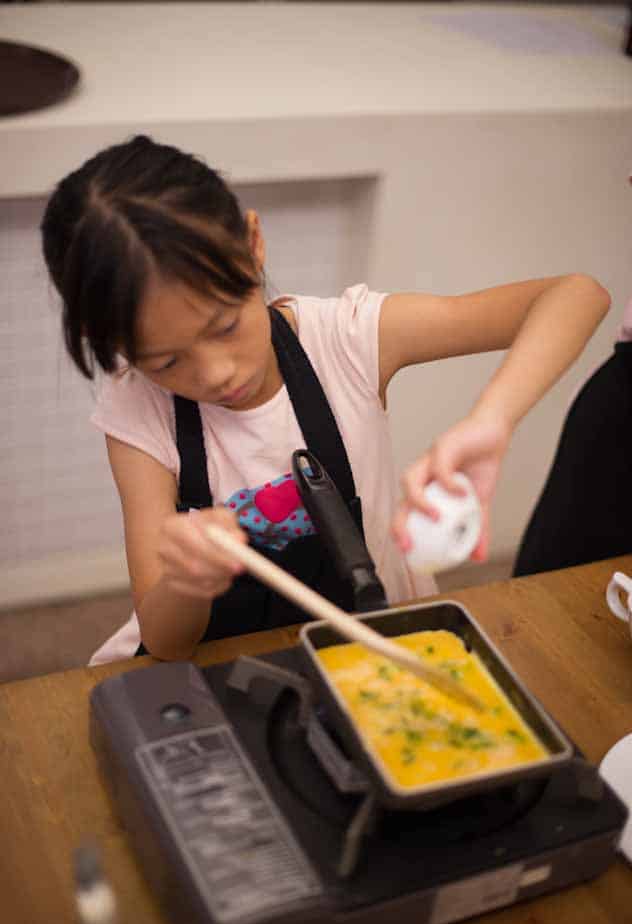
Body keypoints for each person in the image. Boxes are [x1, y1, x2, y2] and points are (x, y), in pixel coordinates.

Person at [40, 135, 611, 664]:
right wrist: (186, 581)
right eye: (166, 362)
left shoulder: (344, 339)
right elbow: (166, 641)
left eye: (225, 326)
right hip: (229, 669)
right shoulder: (137, 411)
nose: (216, 374)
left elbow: (576, 295)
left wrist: (492, 418)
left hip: (376, 640)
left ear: (253, 246)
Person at [514, 296, 632, 577]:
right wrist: (492, 420)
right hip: (620, 405)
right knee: (551, 587)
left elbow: (583, 296)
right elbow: (582, 296)